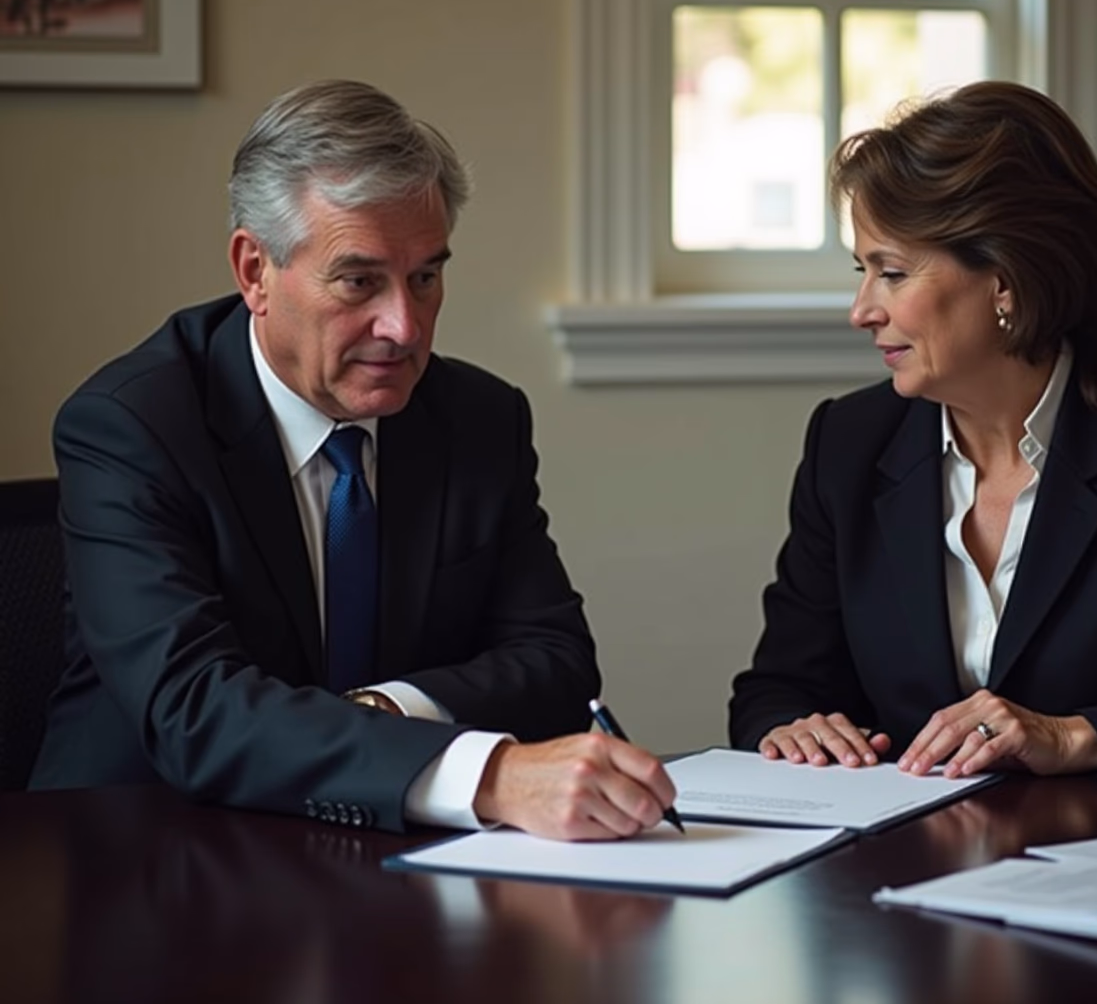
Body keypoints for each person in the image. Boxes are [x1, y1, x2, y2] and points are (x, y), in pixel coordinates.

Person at [31, 79, 675, 840]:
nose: (404, 327)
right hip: (145, 848)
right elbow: (194, 710)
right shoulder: (133, 427)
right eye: (359, 281)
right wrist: (487, 775)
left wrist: (383, 711)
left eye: (425, 277)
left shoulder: (477, 418)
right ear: (254, 271)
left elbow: (557, 664)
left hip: (384, 851)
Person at [730, 81, 1097, 784]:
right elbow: (777, 688)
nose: (862, 310)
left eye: (892, 273)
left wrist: (1075, 736)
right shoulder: (848, 443)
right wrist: (795, 728)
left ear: (1006, 280)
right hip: (902, 846)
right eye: (863, 272)